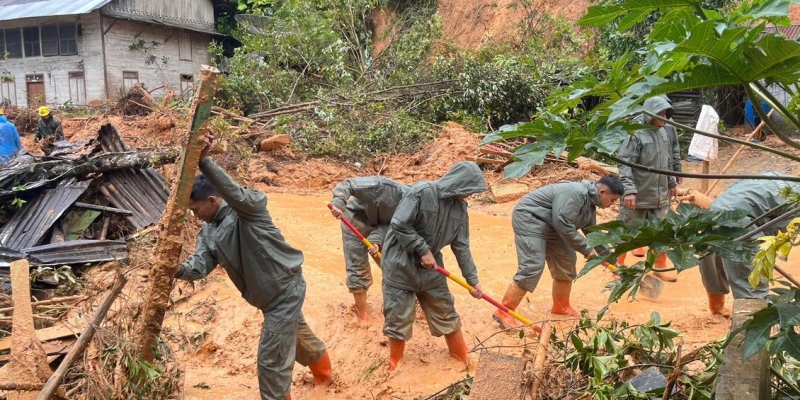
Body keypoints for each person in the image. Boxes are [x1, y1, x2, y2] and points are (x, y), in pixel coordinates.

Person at [171, 133, 332, 400]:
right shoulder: (208, 231)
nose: (195, 215)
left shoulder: (247, 209)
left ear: (213, 200)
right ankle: (326, 379)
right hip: (268, 300)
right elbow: (199, 266)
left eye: (196, 209)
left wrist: (205, 162)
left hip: (285, 291)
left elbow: (233, 192)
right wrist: (176, 269)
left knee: (271, 362)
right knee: (299, 339)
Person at [381, 161, 486, 370]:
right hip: (400, 265)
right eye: (468, 190)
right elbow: (399, 223)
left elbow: (462, 246)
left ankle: (463, 362)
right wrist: (423, 249)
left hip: (432, 269)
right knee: (398, 317)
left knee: (446, 311)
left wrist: (473, 280)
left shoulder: (460, 209)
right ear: (458, 183)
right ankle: (395, 366)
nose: (469, 195)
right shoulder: (421, 192)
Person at [492, 176, 624, 327]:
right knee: (533, 265)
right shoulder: (576, 193)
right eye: (613, 200)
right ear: (602, 192)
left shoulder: (590, 205)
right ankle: (504, 311)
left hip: (552, 226)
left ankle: (561, 306)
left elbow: (593, 236)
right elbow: (563, 224)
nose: (612, 204)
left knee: (566, 259)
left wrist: (615, 264)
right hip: (530, 219)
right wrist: (586, 250)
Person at [699, 172, 799, 315]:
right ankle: (748, 326)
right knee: (751, 280)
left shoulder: (776, 176)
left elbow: (734, 187)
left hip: (714, 210)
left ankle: (717, 309)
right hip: (740, 221)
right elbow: (774, 237)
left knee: (714, 261)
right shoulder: (797, 203)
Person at [329, 176, 409, 323]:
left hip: (378, 227)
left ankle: (400, 304)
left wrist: (376, 241)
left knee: (392, 265)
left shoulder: (409, 210)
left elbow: (389, 226)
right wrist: (338, 203)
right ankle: (362, 312)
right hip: (354, 223)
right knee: (358, 268)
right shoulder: (381, 186)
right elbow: (349, 183)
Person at [616, 96, 678, 282]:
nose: (665, 117)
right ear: (650, 114)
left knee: (661, 233)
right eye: (661, 113)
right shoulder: (635, 133)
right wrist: (629, 190)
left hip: (660, 195)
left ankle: (659, 267)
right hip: (638, 195)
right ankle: (617, 267)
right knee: (626, 232)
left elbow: (667, 160)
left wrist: (672, 182)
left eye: (666, 113)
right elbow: (624, 163)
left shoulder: (664, 132)